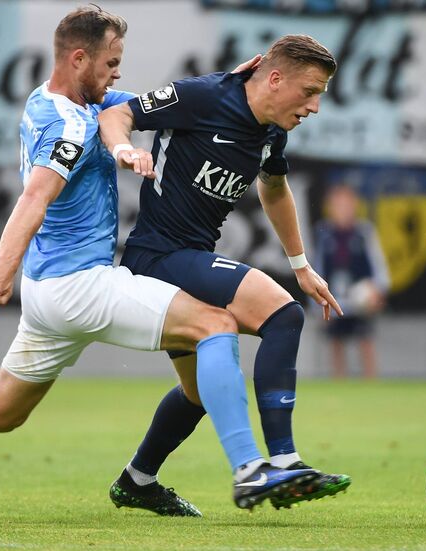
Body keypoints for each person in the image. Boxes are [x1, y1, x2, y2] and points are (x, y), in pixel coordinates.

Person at [0, 5, 321, 514]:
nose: (118, 73)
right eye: (111, 63)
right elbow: (35, 197)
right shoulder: (69, 126)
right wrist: (3, 264)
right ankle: (252, 468)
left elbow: (168, 106)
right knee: (215, 324)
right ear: (78, 59)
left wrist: (235, 84)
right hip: (80, 283)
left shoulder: (54, 100)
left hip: (48, 292)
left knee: (1, 411)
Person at [98, 34, 351, 513]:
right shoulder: (205, 96)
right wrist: (122, 150)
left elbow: (274, 188)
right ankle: (282, 460)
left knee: (197, 392)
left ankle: (137, 479)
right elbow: (117, 115)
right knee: (283, 315)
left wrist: (301, 265)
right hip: (159, 256)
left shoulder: (274, 126)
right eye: (310, 91)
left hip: (187, 260)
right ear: (274, 79)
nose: (315, 106)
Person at [313, 184, 389, 378]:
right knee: (336, 342)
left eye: (346, 204)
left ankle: (371, 382)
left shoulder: (364, 232)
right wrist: (318, 301)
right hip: (336, 299)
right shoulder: (324, 234)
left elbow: (379, 267)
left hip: (361, 298)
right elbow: (316, 270)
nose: (342, 209)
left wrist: (377, 291)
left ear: (355, 206)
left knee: (365, 340)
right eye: (338, 205)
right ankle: (340, 384)